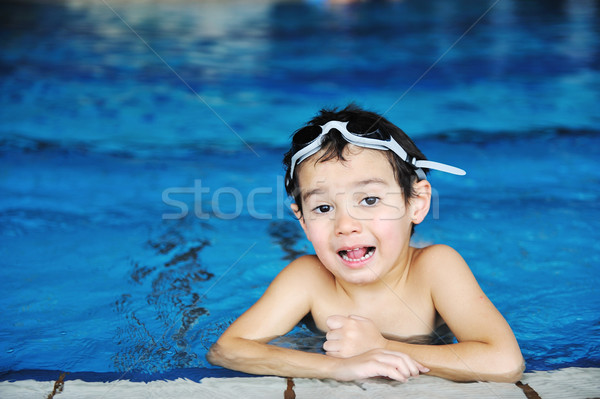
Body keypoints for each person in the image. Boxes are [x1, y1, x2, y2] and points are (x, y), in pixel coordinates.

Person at [207, 104, 524, 382]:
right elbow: (226, 350)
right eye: (323, 208)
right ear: (302, 220)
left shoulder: (435, 267)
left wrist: (382, 348)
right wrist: (335, 368)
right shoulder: (307, 278)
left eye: (370, 200)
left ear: (417, 202)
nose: (345, 226)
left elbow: (504, 363)